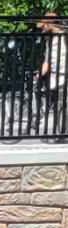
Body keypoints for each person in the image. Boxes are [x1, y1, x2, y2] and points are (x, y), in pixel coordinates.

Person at [38, 14, 67, 142]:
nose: (42, 28)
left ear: (50, 23)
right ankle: (59, 134)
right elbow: (47, 61)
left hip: (64, 76)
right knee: (57, 107)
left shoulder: (65, 36)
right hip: (54, 78)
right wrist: (39, 75)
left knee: (61, 106)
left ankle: (61, 135)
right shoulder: (49, 40)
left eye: (44, 25)